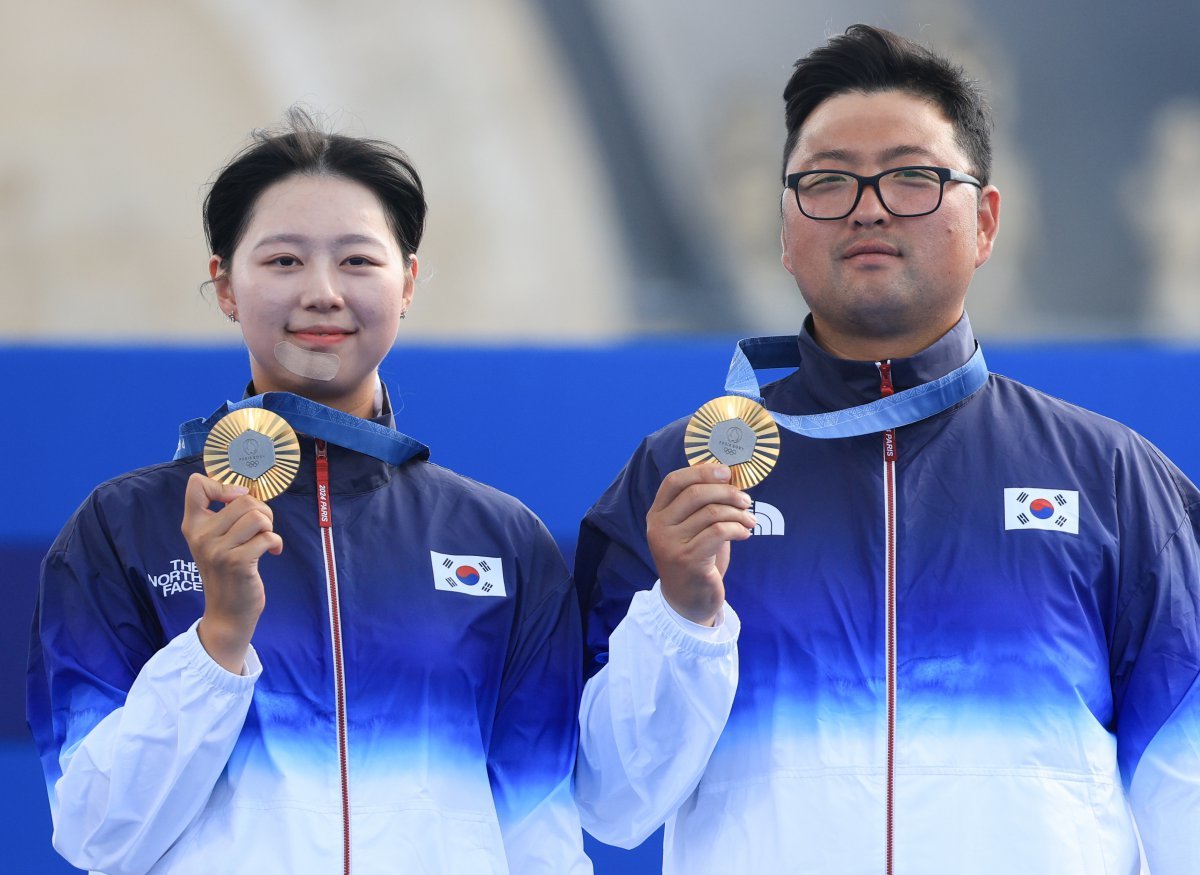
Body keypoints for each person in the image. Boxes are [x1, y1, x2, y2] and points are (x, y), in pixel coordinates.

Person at [573, 24, 1200, 874]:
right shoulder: (680, 480)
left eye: (911, 176)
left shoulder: (1115, 482)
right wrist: (683, 614)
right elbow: (611, 802)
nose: (868, 205)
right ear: (786, 230)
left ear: (984, 220)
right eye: (827, 182)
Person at [27, 110, 592, 875]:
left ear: (409, 282)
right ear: (226, 284)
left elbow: (538, 830)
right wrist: (218, 636)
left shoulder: (502, 539)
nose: (323, 293)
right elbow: (95, 830)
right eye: (284, 261)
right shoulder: (123, 527)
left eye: (358, 261)